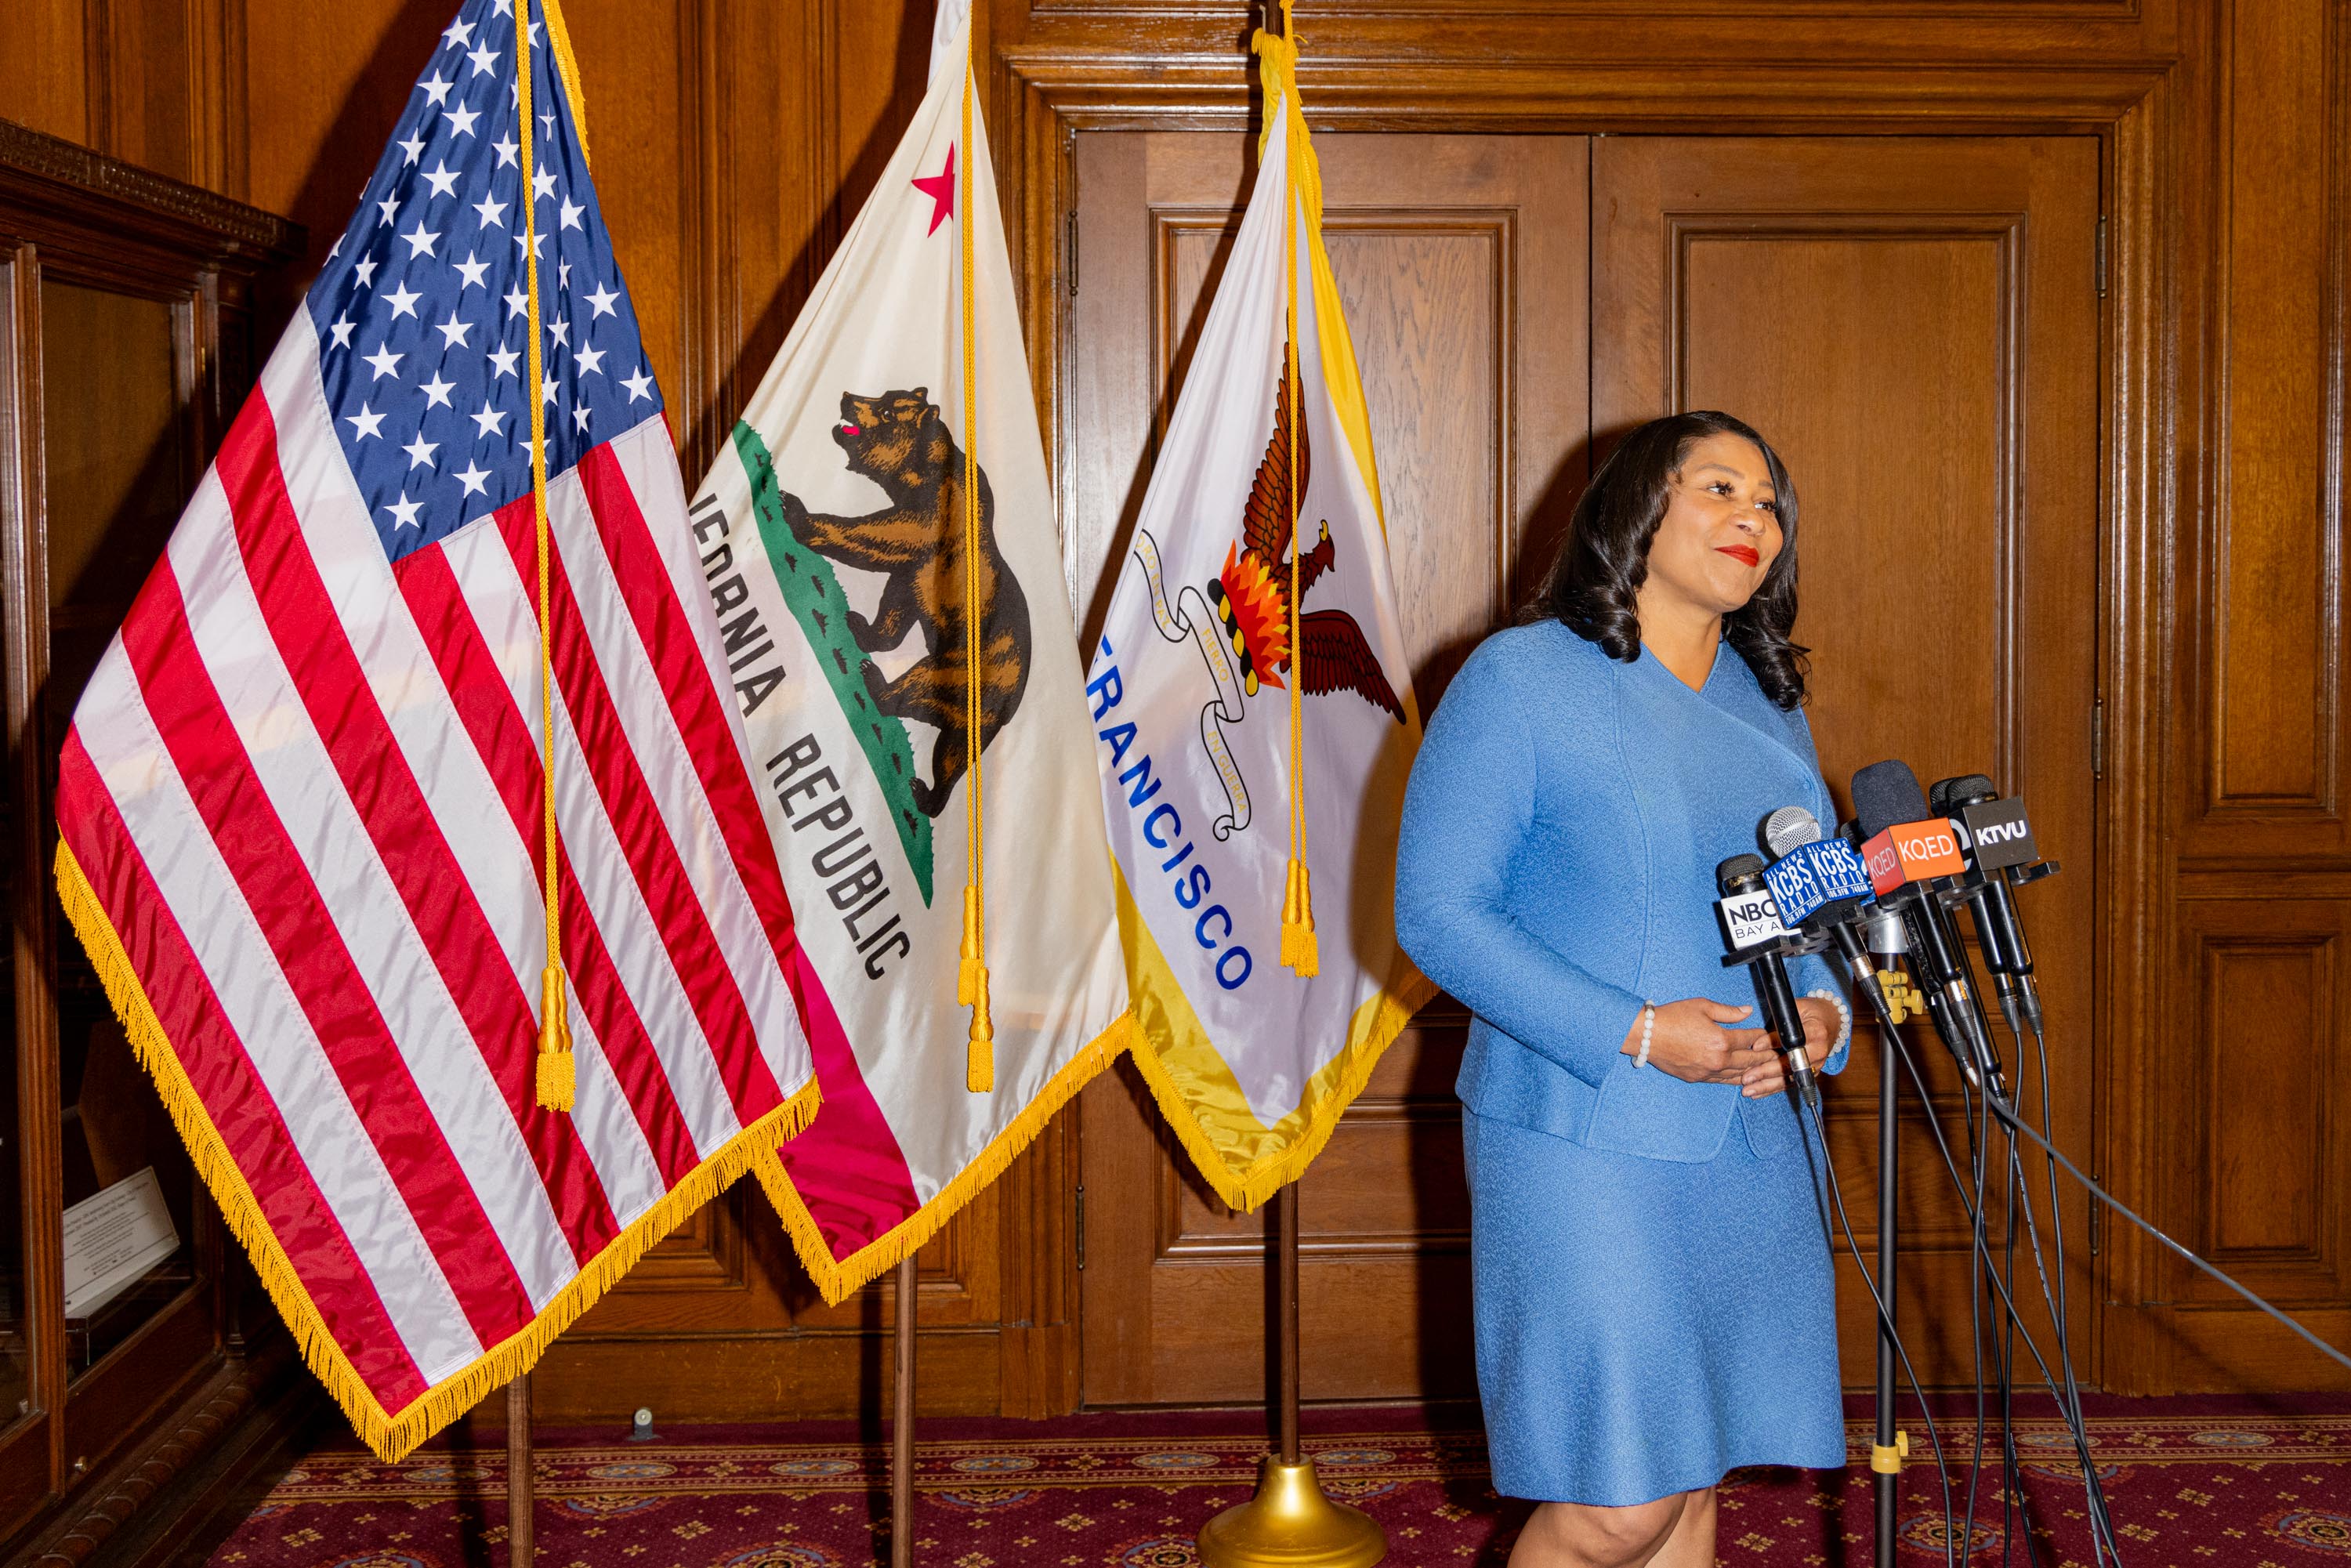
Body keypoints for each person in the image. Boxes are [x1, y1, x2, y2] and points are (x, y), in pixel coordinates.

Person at [1395, 411, 1852, 1567]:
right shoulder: (1522, 678)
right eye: (1720, 487)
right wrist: (1640, 1032)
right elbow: (1439, 914)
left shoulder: (1771, 702)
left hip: (1753, 1141)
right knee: (1618, 1499)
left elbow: (1821, 906)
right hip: (1584, 1135)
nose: (1755, 516)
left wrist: (1823, 1017)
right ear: (1636, 515)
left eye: (1769, 500)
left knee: (1693, 1485)